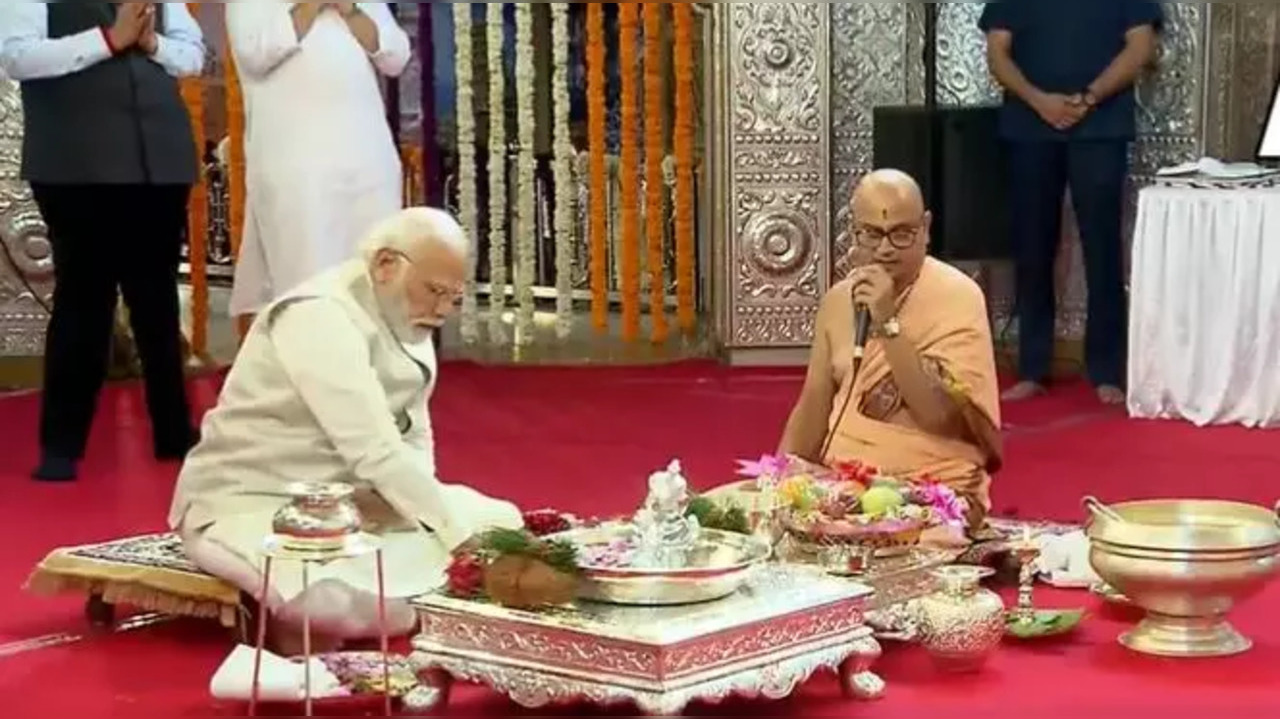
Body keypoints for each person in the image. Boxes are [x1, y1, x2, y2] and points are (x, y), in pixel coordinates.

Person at [169, 208, 522, 652]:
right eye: (433, 292)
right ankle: (418, 602)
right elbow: (374, 450)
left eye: (453, 298)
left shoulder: (405, 314)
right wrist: (461, 542)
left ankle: (427, 596)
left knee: (504, 521)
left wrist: (414, 512)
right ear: (386, 264)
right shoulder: (319, 315)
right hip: (260, 503)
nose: (441, 310)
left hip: (359, 505)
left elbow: (413, 433)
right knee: (329, 600)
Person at [0, 2, 205, 481]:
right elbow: (17, 57)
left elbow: (194, 54)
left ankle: (174, 432)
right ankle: (62, 444)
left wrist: (152, 44)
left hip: (160, 158)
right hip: (76, 162)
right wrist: (109, 40)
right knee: (83, 301)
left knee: (156, 300)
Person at [777, 170, 1002, 542]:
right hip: (845, 486)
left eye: (902, 234)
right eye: (872, 234)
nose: (884, 249)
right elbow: (814, 403)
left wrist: (888, 322)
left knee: (926, 538)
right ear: (854, 232)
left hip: (931, 491)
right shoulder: (839, 301)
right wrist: (778, 483)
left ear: (926, 228)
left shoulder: (958, 297)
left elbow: (937, 416)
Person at [980, 1, 1163, 405]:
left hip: (1101, 126)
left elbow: (1139, 46)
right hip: (1029, 126)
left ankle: (1106, 369)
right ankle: (1032, 367)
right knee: (1032, 247)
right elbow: (997, 51)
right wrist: (1039, 100)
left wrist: (1089, 97)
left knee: (1102, 247)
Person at [225, 1, 411, 324]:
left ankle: (367, 371)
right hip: (296, 166)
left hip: (368, 161)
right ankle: (305, 369)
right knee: (306, 293)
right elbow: (254, 54)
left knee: (374, 284)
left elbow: (396, 58)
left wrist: (351, 10)